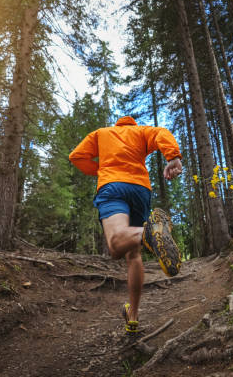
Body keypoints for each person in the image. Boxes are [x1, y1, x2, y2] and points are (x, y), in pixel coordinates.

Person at [69, 116, 183, 334]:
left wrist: (100, 169)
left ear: (118, 124)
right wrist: (173, 156)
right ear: (131, 124)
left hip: (112, 186)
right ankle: (133, 315)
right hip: (140, 190)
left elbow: (77, 156)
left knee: (115, 244)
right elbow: (161, 133)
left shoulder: (102, 134)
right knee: (133, 255)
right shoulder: (141, 132)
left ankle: (147, 232)